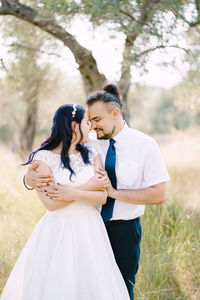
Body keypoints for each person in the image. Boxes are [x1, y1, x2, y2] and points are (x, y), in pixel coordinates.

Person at [24, 84, 170, 300]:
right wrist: (29, 178)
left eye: (97, 120)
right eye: (89, 121)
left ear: (116, 113)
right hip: (81, 229)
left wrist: (112, 192)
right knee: (75, 287)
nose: (92, 127)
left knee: (118, 290)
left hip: (122, 230)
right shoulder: (89, 143)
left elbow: (159, 195)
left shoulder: (145, 144)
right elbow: (54, 155)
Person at [1, 104, 130, 300]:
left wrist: (69, 192)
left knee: (93, 285)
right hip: (58, 230)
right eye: (87, 122)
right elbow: (51, 204)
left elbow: (102, 197)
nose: (90, 127)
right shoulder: (43, 159)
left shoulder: (91, 154)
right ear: (73, 125)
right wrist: (88, 186)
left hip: (90, 229)